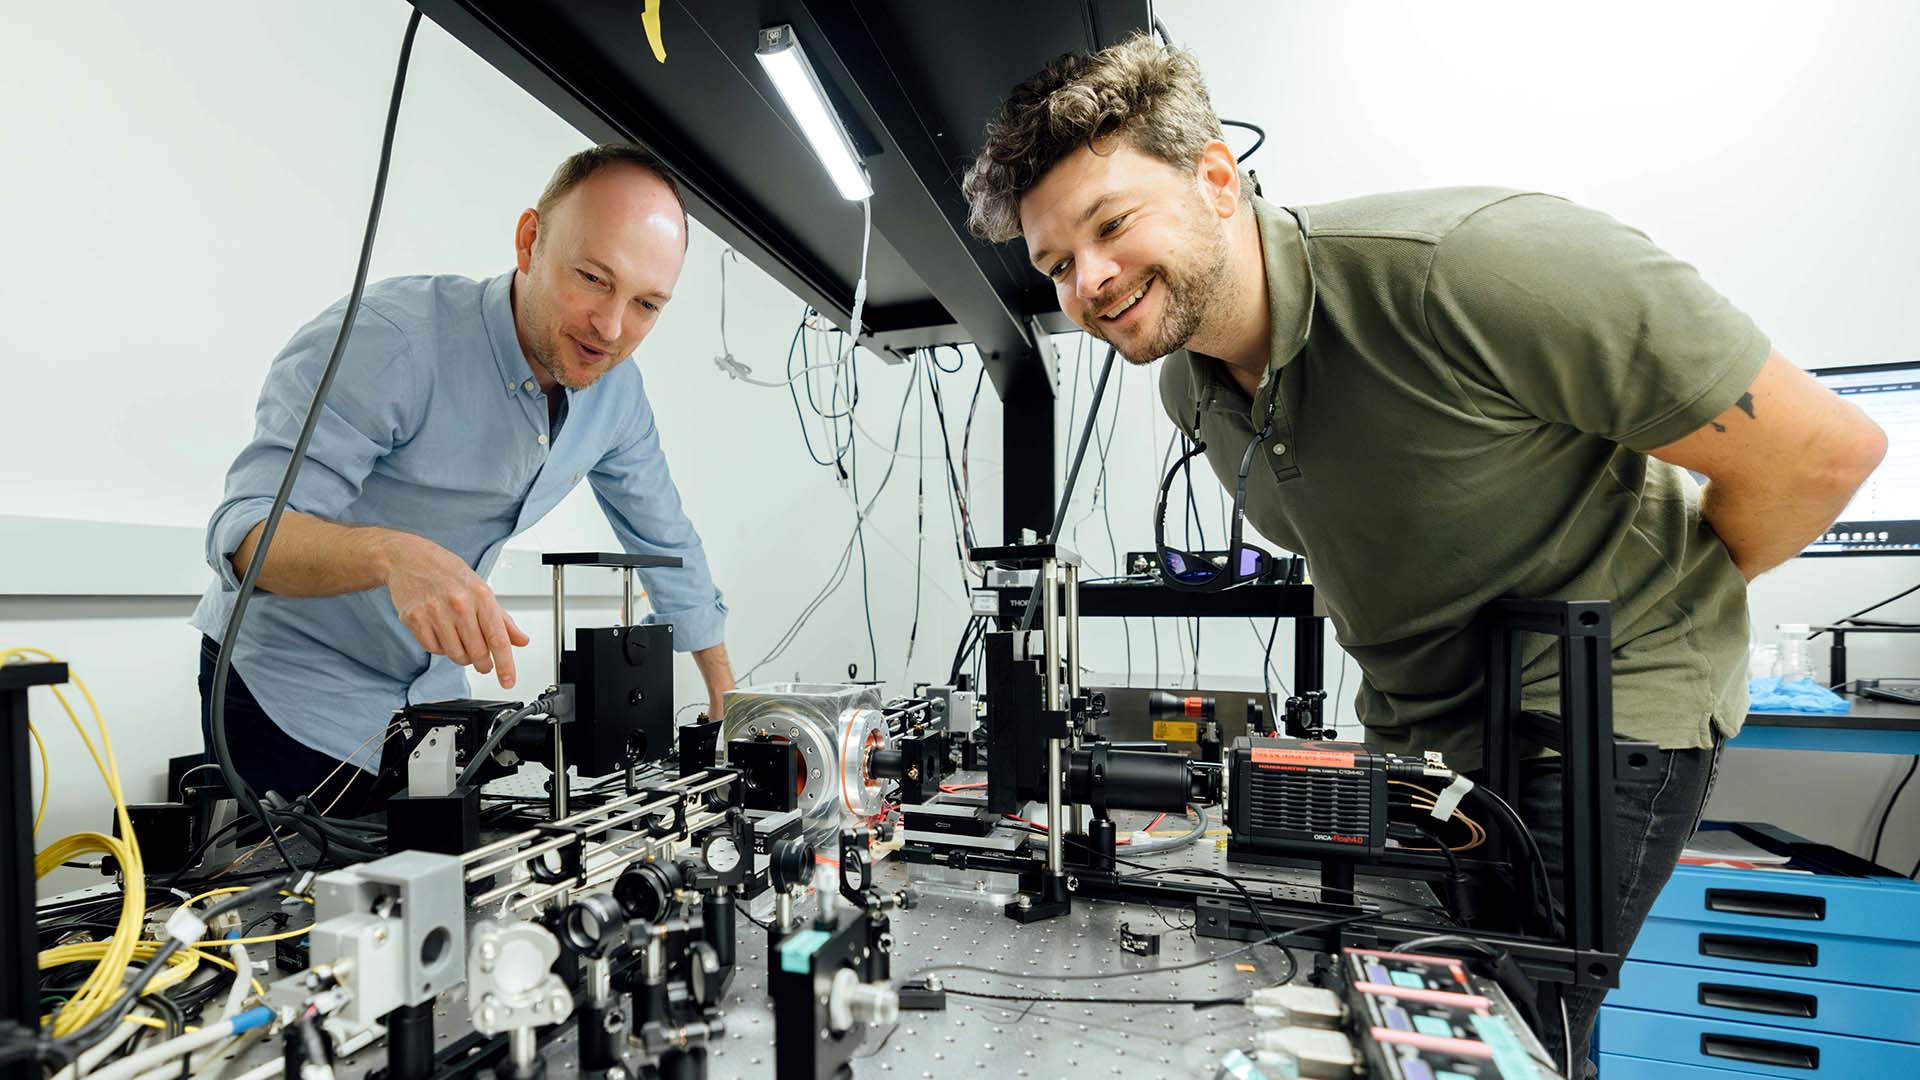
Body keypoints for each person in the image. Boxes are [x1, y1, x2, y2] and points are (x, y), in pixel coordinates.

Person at [961, 34, 1886, 1073]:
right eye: (1055, 265)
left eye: (1111, 224)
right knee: (1407, 1010)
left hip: (1598, 714)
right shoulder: (1196, 387)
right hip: (1427, 732)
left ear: (1217, 180)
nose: (1090, 281)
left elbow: (1820, 453)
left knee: (1506, 1036)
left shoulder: (1475, 271)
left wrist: (1661, 615)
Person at [194, 145, 734, 815]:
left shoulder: (615, 392)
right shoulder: (391, 341)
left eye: (647, 304)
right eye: (594, 278)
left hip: (433, 708)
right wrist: (393, 555)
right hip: (293, 700)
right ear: (530, 241)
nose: (612, 327)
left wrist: (729, 706)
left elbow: (666, 536)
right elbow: (245, 538)